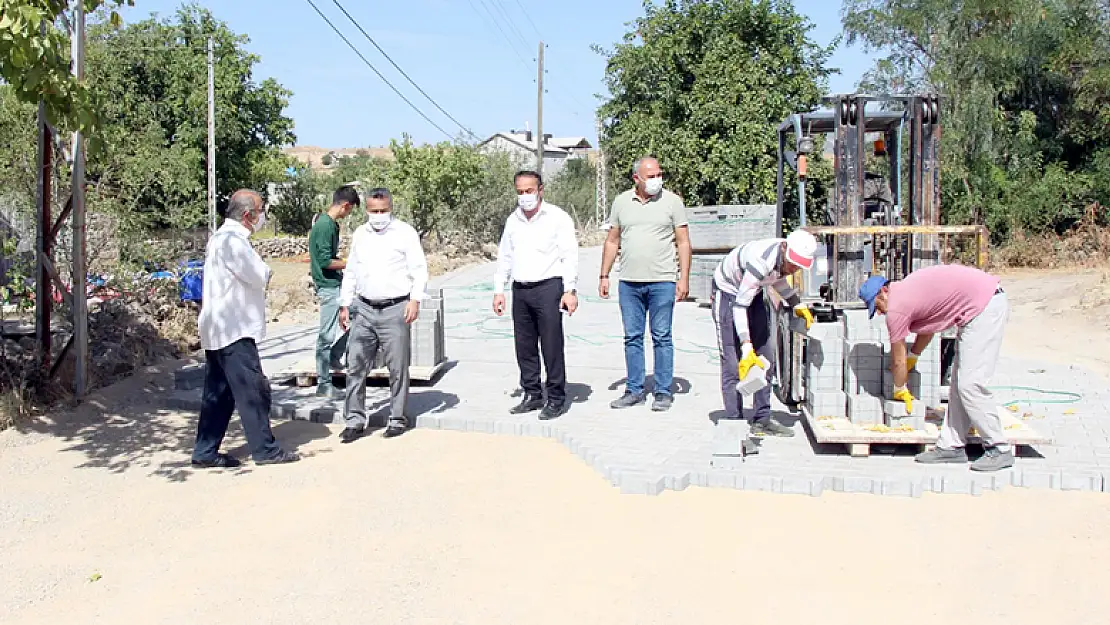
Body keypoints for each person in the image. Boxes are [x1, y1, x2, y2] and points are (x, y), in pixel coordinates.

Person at [858, 264, 1013, 472]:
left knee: (970, 384)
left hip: (985, 305)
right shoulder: (906, 291)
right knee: (959, 383)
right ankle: (951, 446)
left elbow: (898, 360)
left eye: (877, 305)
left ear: (884, 291)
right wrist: (915, 355)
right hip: (978, 305)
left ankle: (999, 448)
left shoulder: (896, 307)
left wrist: (899, 387)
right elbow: (929, 328)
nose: (878, 312)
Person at [191, 189, 299, 468]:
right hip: (234, 328)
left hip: (218, 327)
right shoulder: (234, 243)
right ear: (248, 214)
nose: (263, 215)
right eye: (261, 210)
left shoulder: (220, 239)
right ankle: (265, 449)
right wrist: (266, 270)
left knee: (219, 393)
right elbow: (259, 275)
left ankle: (205, 451)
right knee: (253, 390)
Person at [598, 156, 692, 411]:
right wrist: (604, 275)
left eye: (659, 174)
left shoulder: (672, 202)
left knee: (662, 336)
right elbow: (612, 240)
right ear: (636, 178)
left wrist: (683, 277)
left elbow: (683, 241)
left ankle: (663, 391)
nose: (656, 180)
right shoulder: (621, 202)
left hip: (662, 281)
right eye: (650, 176)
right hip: (629, 283)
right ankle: (634, 389)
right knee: (632, 337)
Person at [338, 188, 428, 443]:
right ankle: (354, 420)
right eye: (373, 211)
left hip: (395, 308)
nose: (378, 216)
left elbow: (419, 269)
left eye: (383, 211)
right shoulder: (360, 235)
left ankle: (397, 418)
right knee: (355, 364)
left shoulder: (404, 233)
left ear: (391, 208)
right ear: (366, 210)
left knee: (397, 366)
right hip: (364, 309)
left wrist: (415, 299)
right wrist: (345, 304)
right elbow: (352, 271)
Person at [711, 231, 818, 440]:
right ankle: (734, 426)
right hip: (728, 293)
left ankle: (762, 419)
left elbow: (776, 279)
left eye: (798, 266)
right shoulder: (761, 262)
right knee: (733, 364)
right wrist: (746, 345)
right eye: (792, 264)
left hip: (753, 291)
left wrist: (797, 304)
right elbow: (740, 306)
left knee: (766, 356)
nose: (793, 269)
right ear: (785, 249)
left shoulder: (783, 260)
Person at [492, 170, 579, 420]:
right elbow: (505, 257)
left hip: (549, 288)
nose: (525, 196)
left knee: (551, 345)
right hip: (521, 289)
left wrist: (570, 290)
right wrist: (499, 289)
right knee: (524, 346)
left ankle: (556, 397)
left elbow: (569, 255)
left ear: (540, 190)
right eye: (520, 192)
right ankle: (532, 393)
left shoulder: (557, 218)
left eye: (529, 191)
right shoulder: (513, 221)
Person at [308, 185, 358, 398]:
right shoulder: (324, 226)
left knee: (358, 317)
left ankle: (336, 356)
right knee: (326, 335)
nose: (348, 215)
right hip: (328, 286)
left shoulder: (330, 225)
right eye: (350, 211)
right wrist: (350, 263)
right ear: (345, 206)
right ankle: (323, 384)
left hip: (335, 283)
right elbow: (325, 261)